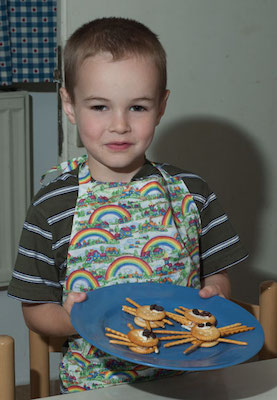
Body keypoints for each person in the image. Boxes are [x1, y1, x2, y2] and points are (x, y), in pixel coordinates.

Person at [8, 17, 248, 392]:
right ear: (69, 105)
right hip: (94, 386)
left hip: (190, 378)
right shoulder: (52, 205)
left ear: (161, 106)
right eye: (100, 107)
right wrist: (72, 320)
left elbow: (217, 274)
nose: (119, 125)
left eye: (137, 107)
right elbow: (35, 310)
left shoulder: (192, 191)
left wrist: (216, 293)